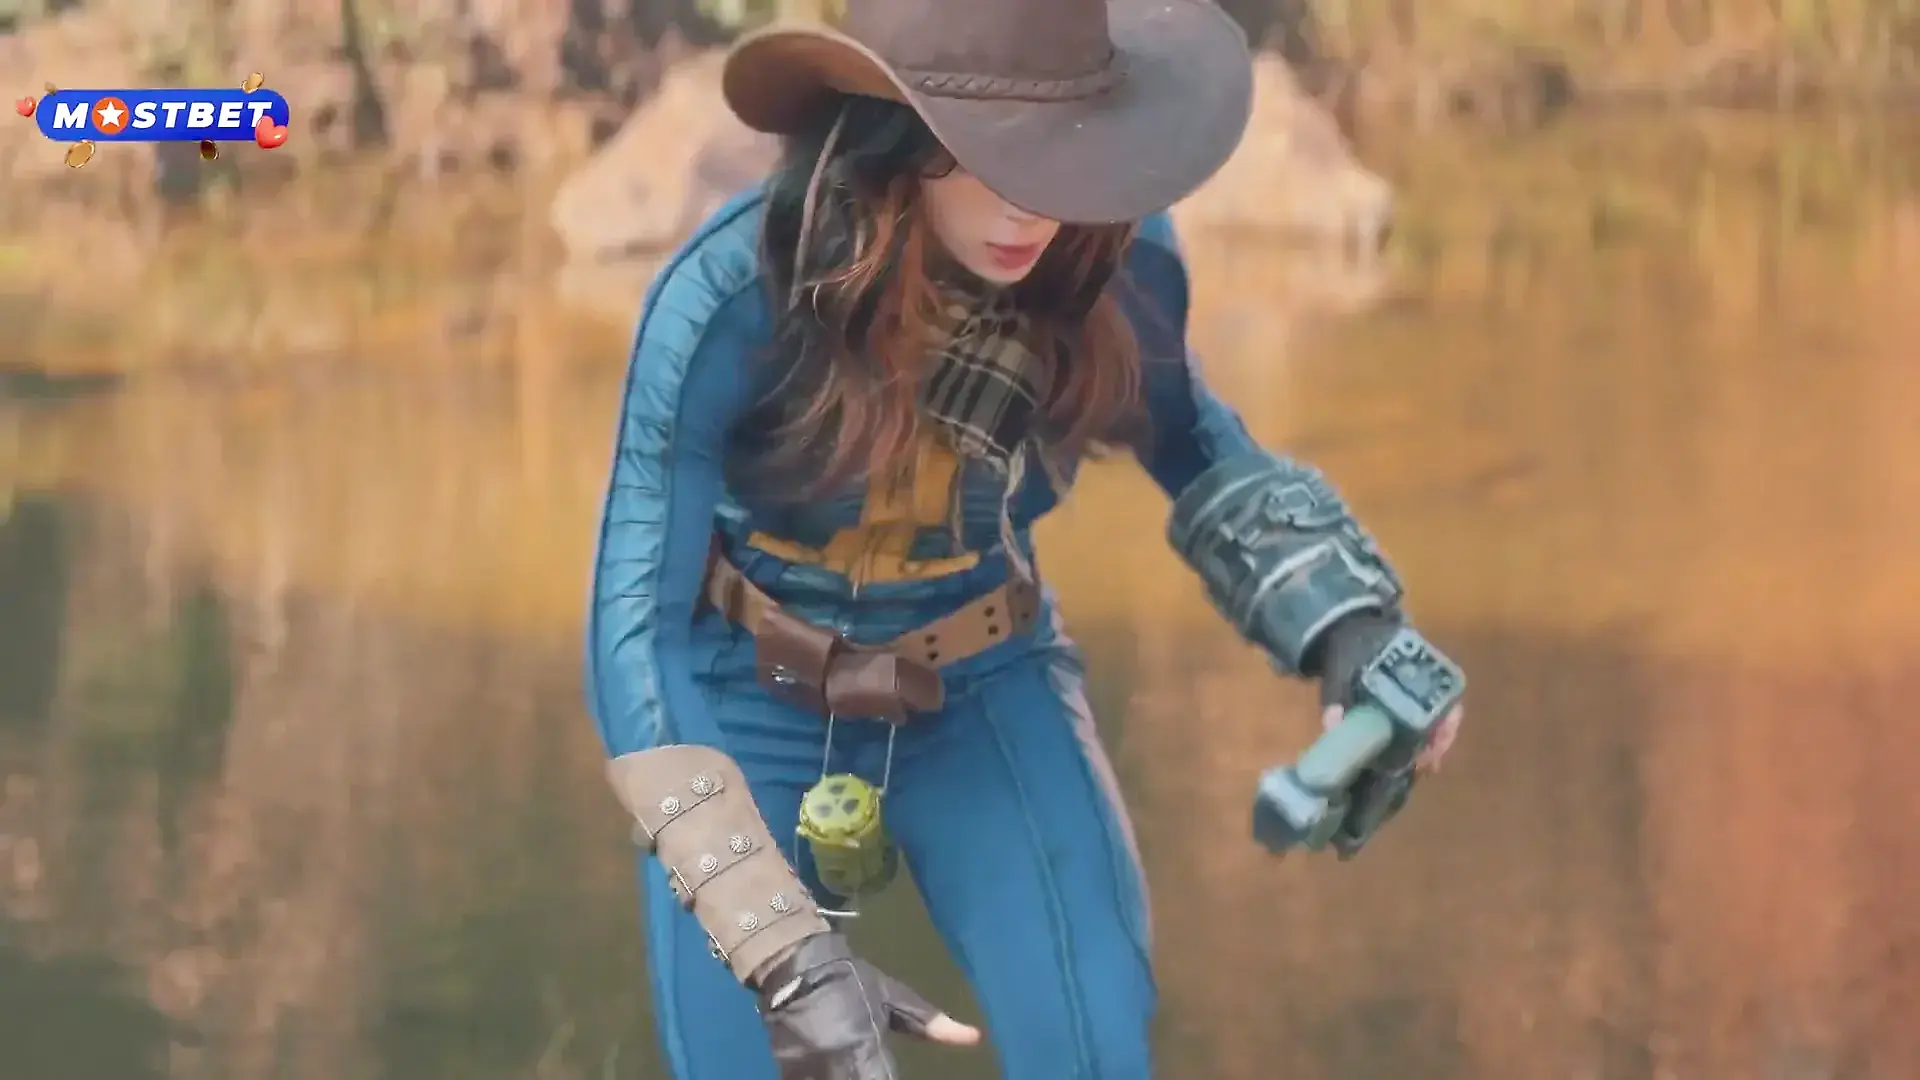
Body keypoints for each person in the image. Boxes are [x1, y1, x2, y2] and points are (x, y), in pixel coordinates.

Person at [585, 0, 1465, 1077]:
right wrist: (774, 942)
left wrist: (1352, 625)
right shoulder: (729, 295)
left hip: (983, 682)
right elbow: (636, 630)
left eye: (1061, 151)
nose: (1031, 201)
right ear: (895, 138)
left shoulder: (1120, 258)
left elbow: (1195, 443)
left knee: (1092, 1037)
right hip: (742, 689)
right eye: (989, 152)